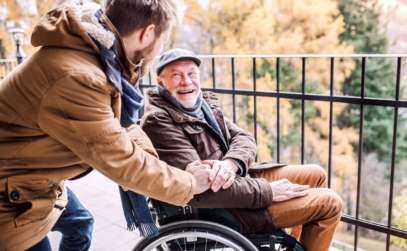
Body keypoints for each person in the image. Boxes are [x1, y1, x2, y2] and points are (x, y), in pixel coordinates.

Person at [0, 2, 213, 250]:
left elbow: (123, 123)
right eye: (163, 39)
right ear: (147, 34)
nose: (159, 49)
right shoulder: (79, 78)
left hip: (32, 176)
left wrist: (164, 165)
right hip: (11, 195)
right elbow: (120, 160)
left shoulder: (101, 51)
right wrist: (189, 184)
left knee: (80, 224)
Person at [140, 48, 344, 251]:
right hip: (227, 208)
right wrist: (267, 191)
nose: (187, 81)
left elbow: (244, 138)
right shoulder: (158, 121)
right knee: (331, 204)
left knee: (316, 175)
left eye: (192, 74)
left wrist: (230, 164)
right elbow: (198, 191)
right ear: (160, 82)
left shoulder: (202, 105)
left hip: (239, 180)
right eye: (176, 75)